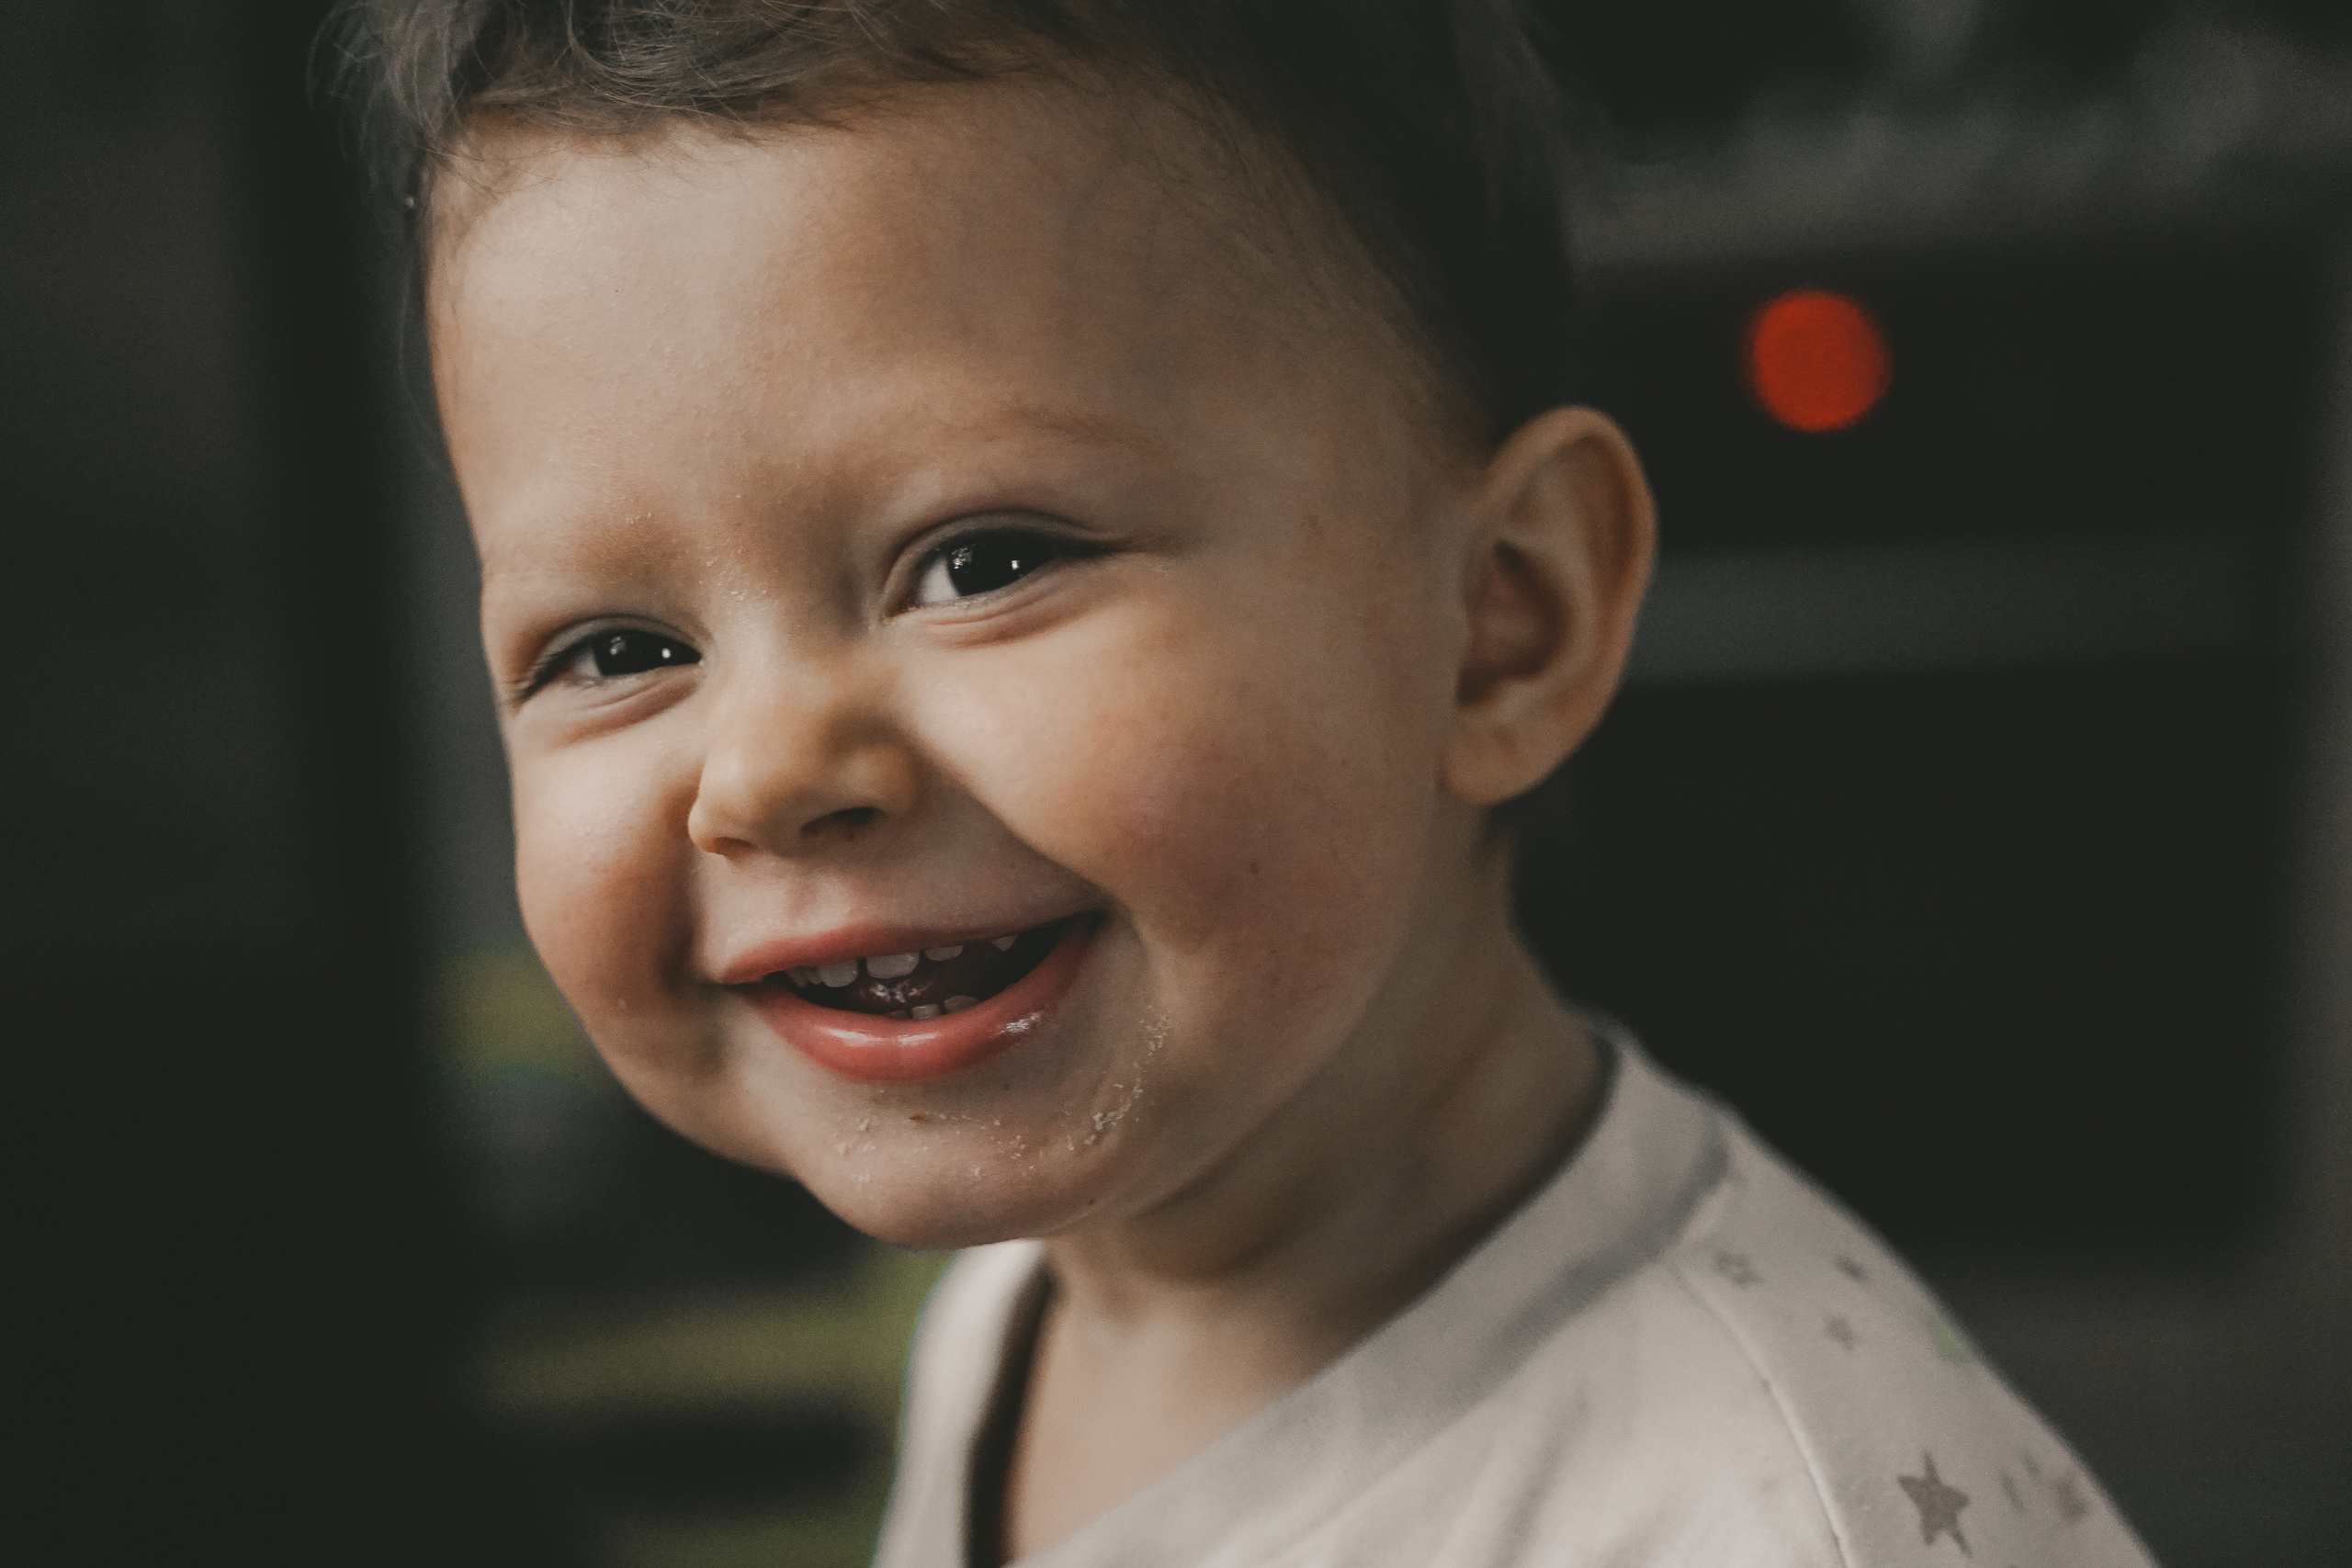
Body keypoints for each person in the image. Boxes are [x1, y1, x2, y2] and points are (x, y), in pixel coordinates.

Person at [357, 1, 2157, 1562]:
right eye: (615, 647)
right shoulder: (1028, 1288)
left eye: (984, 560)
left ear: (1499, 624)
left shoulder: (1758, 1520)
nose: (765, 772)